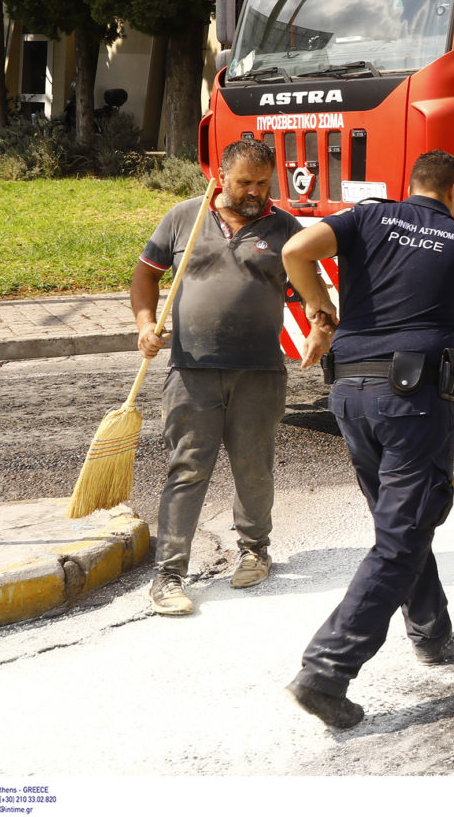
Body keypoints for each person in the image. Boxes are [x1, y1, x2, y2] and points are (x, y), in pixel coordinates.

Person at [280, 150, 454, 731]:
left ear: (411, 186)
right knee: (401, 536)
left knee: (399, 523)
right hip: (412, 398)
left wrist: (322, 309)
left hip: (349, 394)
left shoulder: (367, 217)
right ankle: (326, 671)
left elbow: (294, 251)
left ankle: (430, 631)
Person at [133, 138, 302, 616]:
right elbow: (145, 276)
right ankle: (168, 575)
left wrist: (320, 318)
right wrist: (146, 324)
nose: (255, 192)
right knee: (187, 469)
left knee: (254, 467)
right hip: (192, 370)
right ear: (221, 176)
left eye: (263, 183)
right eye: (245, 182)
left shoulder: (285, 227)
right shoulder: (184, 217)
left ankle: (255, 551)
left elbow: (311, 280)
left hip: (260, 372)